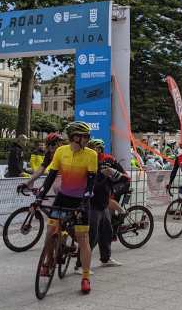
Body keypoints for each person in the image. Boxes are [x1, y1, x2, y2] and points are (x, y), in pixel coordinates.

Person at [36, 121, 98, 294]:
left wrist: (87, 196)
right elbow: (51, 175)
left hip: (81, 200)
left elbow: (91, 180)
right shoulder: (60, 152)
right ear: (74, 138)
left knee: (83, 238)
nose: (88, 139)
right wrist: (41, 194)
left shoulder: (91, 155)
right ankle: (48, 263)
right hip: (63, 198)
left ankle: (85, 277)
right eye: (84, 136)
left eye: (88, 136)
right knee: (50, 232)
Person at [85, 139, 124, 268]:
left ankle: (105, 259)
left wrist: (115, 177)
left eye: (94, 149)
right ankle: (80, 265)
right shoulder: (88, 161)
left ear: (100, 149)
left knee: (107, 231)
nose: (92, 151)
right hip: (92, 203)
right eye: (90, 149)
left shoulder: (109, 160)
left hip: (104, 202)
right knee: (92, 236)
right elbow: (91, 184)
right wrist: (103, 174)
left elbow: (123, 175)